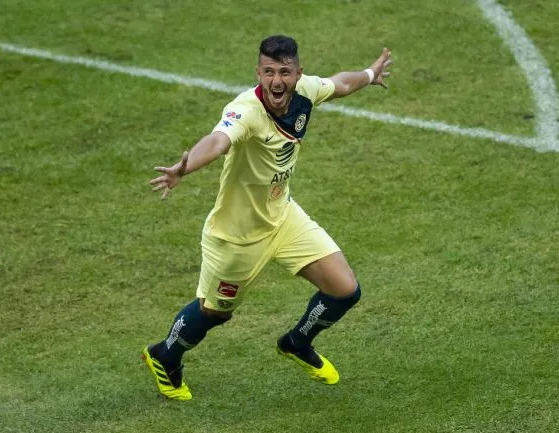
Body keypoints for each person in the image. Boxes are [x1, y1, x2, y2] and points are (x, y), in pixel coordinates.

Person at [142, 35, 392, 401]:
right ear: (258, 73)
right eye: (269, 72)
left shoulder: (306, 91)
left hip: (283, 216)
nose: (277, 80)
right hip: (237, 237)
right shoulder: (245, 110)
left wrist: (369, 74)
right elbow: (218, 140)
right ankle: (164, 355)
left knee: (344, 290)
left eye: (285, 72)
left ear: (298, 73)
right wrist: (186, 167)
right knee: (215, 312)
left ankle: (296, 342)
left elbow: (340, 84)